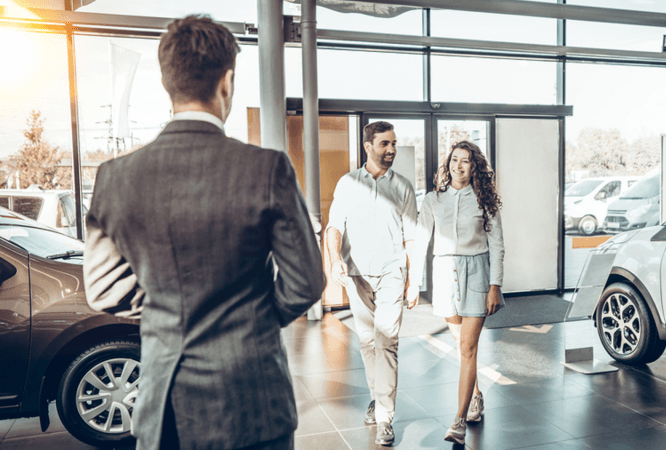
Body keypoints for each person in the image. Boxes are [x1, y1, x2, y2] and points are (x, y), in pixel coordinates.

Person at [83, 15, 325, 450]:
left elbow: (102, 289)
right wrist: (250, 320)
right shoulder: (266, 169)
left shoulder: (114, 177)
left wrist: (168, 315)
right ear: (227, 81)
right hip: (253, 399)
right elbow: (306, 281)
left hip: (164, 410)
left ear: (165, 82)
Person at [407, 140, 505, 445]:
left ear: (474, 166)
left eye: (465, 161)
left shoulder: (486, 201)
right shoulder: (433, 200)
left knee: (467, 350)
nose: (458, 166)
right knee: (461, 345)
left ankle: (459, 419)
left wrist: (495, 286)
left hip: (477, 272)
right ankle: (476, 395)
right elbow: (420, 242)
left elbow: (498, 246)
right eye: (454, 160)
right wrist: (413, 283)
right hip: (443, 273)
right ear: (447, 164)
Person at [326, 121, 417, 446]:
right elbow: (334, 227)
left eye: (393, 143)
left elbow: (411, 238)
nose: (391, 150)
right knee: (367, 343)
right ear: (368, 146)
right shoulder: (348, 183)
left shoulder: (403, 187)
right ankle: (378, 399)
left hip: (393, 273)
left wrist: (414, 280)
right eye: (384, 144)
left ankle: (385, 417)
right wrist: (335, 260)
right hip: (357, 274)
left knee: (387, 342)